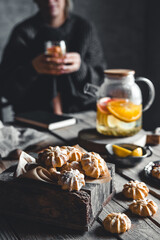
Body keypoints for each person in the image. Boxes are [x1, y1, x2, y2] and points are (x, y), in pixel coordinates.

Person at [0, 0, 106, 115]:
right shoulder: (23, 33)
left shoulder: (84, 29)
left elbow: (99, 87)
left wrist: (80, 69)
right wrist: (32, 69)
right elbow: (6, 89)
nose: (50, 1)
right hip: (34, 117)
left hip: (81, 114)